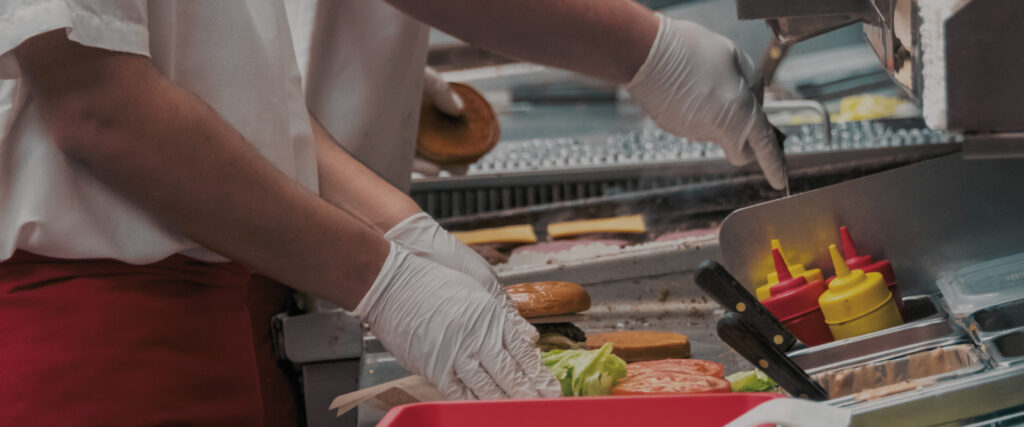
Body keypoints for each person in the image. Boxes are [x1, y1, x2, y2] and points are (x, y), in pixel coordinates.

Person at [0, 1, 783, 425]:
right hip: (99, 348)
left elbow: (236, 105)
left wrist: (402, 228)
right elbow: (101, 107)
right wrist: (384, 278)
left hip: (217, 319)